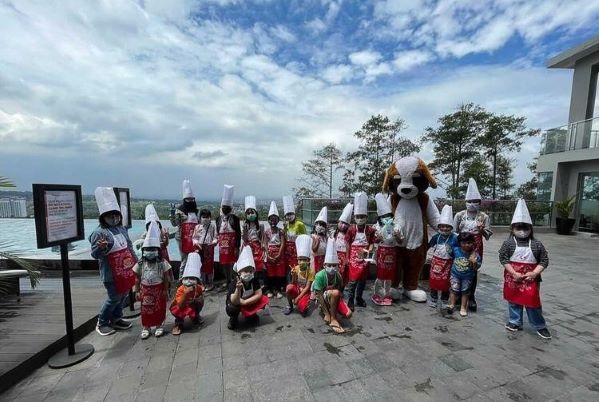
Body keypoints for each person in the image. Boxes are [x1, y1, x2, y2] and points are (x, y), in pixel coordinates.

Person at [500, 199, 551, 339]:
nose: (522, 231)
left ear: (531, 229)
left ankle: (539, 325)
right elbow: (503, 259)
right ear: (512, 229)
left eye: (525, 228)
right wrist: (513, 272)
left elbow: (544, 260)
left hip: (531, 279)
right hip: (513, 277)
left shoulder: (536, 244)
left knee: (532, 302)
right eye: (518, 228)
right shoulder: (508, 243)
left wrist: (534, 273)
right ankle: (515, 321)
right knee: (513, 300)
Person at [89, 187, 137, 336]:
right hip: (110, 273)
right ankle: (102, 322)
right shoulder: (99, 233)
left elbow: (129, 246)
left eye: (116, 216)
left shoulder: (121, 229)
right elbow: (94, 254)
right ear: (103, 217)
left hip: (125, 270)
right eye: (110, 217)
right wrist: (101, 248)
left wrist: (136, 261)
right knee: (113, 297)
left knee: (122, 296)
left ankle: (116, 319)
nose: (114, 219)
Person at [453, 178, 492, 311]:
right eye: (469, 201)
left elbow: (487, 236)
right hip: (461, 243)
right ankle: (456, 293)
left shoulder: (484, 217)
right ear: (465, 202)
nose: (472, 204)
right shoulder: (459, 215)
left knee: (473, 269)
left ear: (480, 202)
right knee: (458, 267)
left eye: (475, 201)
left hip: (476, 245)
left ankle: (471, 296)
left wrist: (481, 229)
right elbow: (454, 232)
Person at [133, 221, 172, 339]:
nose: (150, 252)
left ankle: (159, 325)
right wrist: (137, 291)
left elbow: (166, 277)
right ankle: (146, 326)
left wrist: (166, 290)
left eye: (153, 249)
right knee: (145, 309)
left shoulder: (162, 263)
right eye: (148, 249)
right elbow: (137, 278)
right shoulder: (140, 263)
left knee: (159, 308)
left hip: (158, 289)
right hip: (145, 290)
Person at [312, 239, 352, 334]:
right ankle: (333, 318)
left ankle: (333, 310)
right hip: (323, 298)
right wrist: (326, 314)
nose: (332, 268)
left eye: (334, 265)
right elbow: (319, 295)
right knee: (335, 293)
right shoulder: (319, 275)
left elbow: (340, 289)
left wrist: (341, 302)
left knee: (349, 314)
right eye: (329, 265)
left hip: (334, 296)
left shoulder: (338, 275)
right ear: (324, 265)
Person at [226, 246, 270, 330]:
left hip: (248, 302)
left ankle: (251, 314)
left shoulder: (254, 280)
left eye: (250, 271)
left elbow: (259, 293)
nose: (248, 273)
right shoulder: (234, 282)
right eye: (245, 271)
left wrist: (245, 302)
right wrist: (238, 289)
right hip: (237, 303)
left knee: (263, 299)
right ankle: (233, 318)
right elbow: (234, 300)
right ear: (239, 272)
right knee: (232, 308)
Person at [345, 192, 376, 310]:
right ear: (354, 218)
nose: (360, 219)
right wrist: (348, 258)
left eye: (362, 216)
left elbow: (372, 243)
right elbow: (347, 243)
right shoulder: (351, 230)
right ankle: (350, 300)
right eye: (358, 217)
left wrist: (368, 254)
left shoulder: (370, 230)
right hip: (353, 257)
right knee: (353, 281)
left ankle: (359, 298)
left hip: (366, 256)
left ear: (366, 217)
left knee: (363, 280)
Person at [428, 205, 458, 309]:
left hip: (448, 263)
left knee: (446, 282)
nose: (445, 228)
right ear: (439, 227)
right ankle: (433, 298)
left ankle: (445, 300)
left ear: (451, 227)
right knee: (434, 280)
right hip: (436, 262)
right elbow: (428, 246)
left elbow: (458, 250)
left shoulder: (455, 238)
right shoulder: (436, 237)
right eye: (442, 226)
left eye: (447, 226)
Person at [373, 193, 400, 306]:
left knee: (389, 276)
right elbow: (374, 241)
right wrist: (378, 238)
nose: (386, 218)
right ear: (380, 217)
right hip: (381, 252)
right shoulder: (377, 227)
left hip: (392, 252)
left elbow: (400, 242)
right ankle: (377, 294)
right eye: (384, 216)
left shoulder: (396, 226)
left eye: (388, 215)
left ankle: (387, 295)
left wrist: (397, 236)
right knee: (380, 275)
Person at [169, 179, 198, 279]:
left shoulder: (196, 210)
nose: (189, 201)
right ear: (184, 200)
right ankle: (182, 279)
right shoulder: (180, 210)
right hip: (182, 238)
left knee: (194, 257)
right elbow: (174, 223)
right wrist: (172, 214)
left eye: (191, 199)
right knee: (184, 258)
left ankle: (193, 277)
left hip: (194, 238)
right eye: (187, 199)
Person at [447, 232, 481, 317]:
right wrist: (453, 234)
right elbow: (448, 246)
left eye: (469, 243)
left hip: (467, 277)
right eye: (464, 243)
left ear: (473, 243)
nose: (466, 245)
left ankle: (463, 307)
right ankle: (452, 304)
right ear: (460, 243)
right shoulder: (455, 250)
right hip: (455, 275)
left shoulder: (475, 255)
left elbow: (477, 268)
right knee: (453, 290)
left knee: (465, 292)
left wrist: (474, 262)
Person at [170, 252, 204, 336]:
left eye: (192, 278)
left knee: (200, 302)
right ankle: (178, 323)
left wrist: (199, 298)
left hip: (192, 305)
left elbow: (200, 296)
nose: (189, 280)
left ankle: (195, 316)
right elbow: (180, 305)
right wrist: (186, 294)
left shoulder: (198, 287)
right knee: (178, 310)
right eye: (186, 278)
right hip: (181, 306)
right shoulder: (181, 289)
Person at [216, 185, 242, 289]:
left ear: (230, 208)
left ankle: (234, 280)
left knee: (233, 263)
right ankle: (227, 280)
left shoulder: (235, 218)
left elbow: (238, 233)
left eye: (227, 207)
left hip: (232, 244)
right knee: (224, 263)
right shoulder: (218, 219)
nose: (225, 209)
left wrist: (236, 247)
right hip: (223, 245)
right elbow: (218, 232)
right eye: (224, 207)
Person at [284, 234, 315, 316]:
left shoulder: (311, 271)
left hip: (305, 292)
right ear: (297, 260)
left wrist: (298, 298)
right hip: (297, 289)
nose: (301, 261)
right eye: (300, 259)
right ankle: (290, 305)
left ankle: (302, 303)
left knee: (303, 309)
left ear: (308, 260)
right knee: (288, 287)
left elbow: (307, 287)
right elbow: (293, 283)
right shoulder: (296, 268)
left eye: (304, 259)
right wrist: (293, 275)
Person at [241, 195, 266, 287]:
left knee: (259, 265)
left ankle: (259, 283)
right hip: (248, 247)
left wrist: (263, 247)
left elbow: (262, 237)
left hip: (257, 247)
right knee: (249, 265)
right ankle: (251, 282)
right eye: (248, 213)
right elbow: (244, 239)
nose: (250, 214)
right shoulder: (245, 226)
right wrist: (244, 231)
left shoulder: (260, 226)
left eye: (252, 212)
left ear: (256, 213)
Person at [264, 201, 286, 298]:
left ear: (278, 220)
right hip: (270, 253)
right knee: (270, 272)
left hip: (279, 254)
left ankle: (277, 289)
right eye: (271, 220)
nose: (273, 222)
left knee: (278, 273)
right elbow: (265, 243)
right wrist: (268, 255)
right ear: (268, 220)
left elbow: (282, 243)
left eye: (275, 219)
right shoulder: (267, 232)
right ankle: (270, 289)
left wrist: (279, 254)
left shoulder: (280, 231)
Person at [192, 208, 217, 291]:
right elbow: (194, 238)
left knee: (209, 266)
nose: (205, 218)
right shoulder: (197, 227)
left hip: (209, 248)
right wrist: (196, 243)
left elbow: (215, 237)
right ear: (200, 217)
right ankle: (202, 283)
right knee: (201, 265)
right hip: (200, 247)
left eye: (207, 216)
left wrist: (213, 242)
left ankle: (210, 282)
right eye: (203, 216)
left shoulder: (213, 226)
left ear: (210, 217)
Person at [282, 195, 307, 272]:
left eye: (290, 214)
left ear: (294, 214)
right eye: (287, 215)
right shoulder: (286, 225)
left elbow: (304, 237)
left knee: (296, 267)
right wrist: (284, 228)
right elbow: (285, 237)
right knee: (288, 268)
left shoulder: (299, 224)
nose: (289, 216)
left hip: (297, 249)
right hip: (288, 250)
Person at [334, 202, 353, 286]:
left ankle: (341, 288)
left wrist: (347, 258)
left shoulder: (349, 235)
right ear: (338, 222)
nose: (343, 225)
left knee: (343, 273)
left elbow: (348, 247)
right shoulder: (333, 233)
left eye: (346, 224)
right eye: (341, 222)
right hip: (335, 255)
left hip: (344, 256)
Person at [311, 206, 328, 273]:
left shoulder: (325, 238)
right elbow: (314, 250)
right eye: (319, 225)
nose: (321, 227)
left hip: (323, 260)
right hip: (315, 260)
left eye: (323, 225)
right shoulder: (313, 237)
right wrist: (317, 241)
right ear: (315, 225)